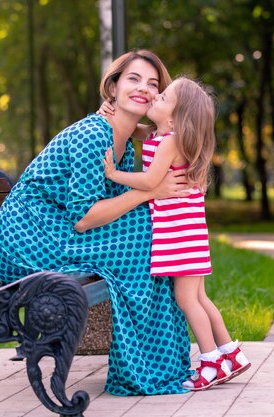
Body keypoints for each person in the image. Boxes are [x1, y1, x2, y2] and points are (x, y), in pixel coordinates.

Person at [0, 50, 194, 396]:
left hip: (56, 228)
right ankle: (146, 370)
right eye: (133, 79)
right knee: (143, 235)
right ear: (112, 87)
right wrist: (150, 192)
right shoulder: (92, 135)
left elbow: (156, 138)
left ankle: (162, 366)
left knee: (149, 231)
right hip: (26, 238)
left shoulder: (124, 139)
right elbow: (84, 219)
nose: (143, 88)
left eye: (153, 84)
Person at [101, 77, 251, 391]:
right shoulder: (164, 134)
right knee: (200, 297)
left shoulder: (169, 142)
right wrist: (113, 111)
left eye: (163, 97)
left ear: (174, 118)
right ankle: (230, 353)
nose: (154, 96)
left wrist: (114, 174)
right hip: (190, 234)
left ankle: (210, 361)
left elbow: (150, 181)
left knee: (186, 299)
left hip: (179, 235)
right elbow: (136, 129)